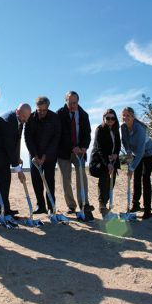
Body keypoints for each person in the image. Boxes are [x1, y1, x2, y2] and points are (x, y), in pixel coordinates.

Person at [0, 104, 31, 217]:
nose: (25, 120)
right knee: (2, 182)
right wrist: (18, 170)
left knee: (6, 181)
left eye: (27, 117)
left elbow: (16, 142)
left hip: (5, 154)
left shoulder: (20, 121)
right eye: (24, 117)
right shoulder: (8, 121)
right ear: (18, 112)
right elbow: (9, 146)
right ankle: (2, 210)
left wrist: (17, 158)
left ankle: (5, 209)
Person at [57, 91, 94, 221]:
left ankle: (84, 203)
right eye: (70, 102)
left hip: (80, 152)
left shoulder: (84, 115)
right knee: (66, 180)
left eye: (75, 103)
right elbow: (61, 134)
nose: (72, 105)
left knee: (82, 178)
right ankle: (71, 206)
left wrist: (84, 147)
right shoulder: (60, 114)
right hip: (64, 152)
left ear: (78, 101)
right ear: (65, 101)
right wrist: (72, 147)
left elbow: (87, 133)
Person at [25, 96, 61, 214]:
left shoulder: (54, 118)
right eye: (39, 110)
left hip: (49, 156)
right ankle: (40, 206)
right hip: (34, 155)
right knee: (36, 181)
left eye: (44, 110)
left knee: (49, 180)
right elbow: (28, 138)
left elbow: (56, 138)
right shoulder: (30, 118)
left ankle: (51, 207)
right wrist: (34, 155)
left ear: (48, 108)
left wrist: (46, 156)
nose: (41, 113)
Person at [121, 107, 152, 219]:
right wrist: (128, 151)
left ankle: (147, 210)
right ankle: (135, 204)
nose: (125, 117)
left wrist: (131, 168)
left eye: (128, 115)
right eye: (124, 115)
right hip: (136, 153)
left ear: (133, 117)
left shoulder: (139, 129)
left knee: (145, 178)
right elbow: (124, 141)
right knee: (136, 177)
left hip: (149, 153)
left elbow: (141, 151)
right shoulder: (123, 127)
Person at [89, 109, 121, 218]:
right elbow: (100, 148)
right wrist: (108, 163)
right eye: (108, 118)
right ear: (104, 118)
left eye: (112, 118)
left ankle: (105, 206)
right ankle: (102, 206)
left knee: (111, 184)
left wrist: (116, 155)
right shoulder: (100, 129)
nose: (110, 120)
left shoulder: (116, 130)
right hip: (100, 161)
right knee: (104, 181)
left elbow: (118, 145)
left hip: (113, 160)